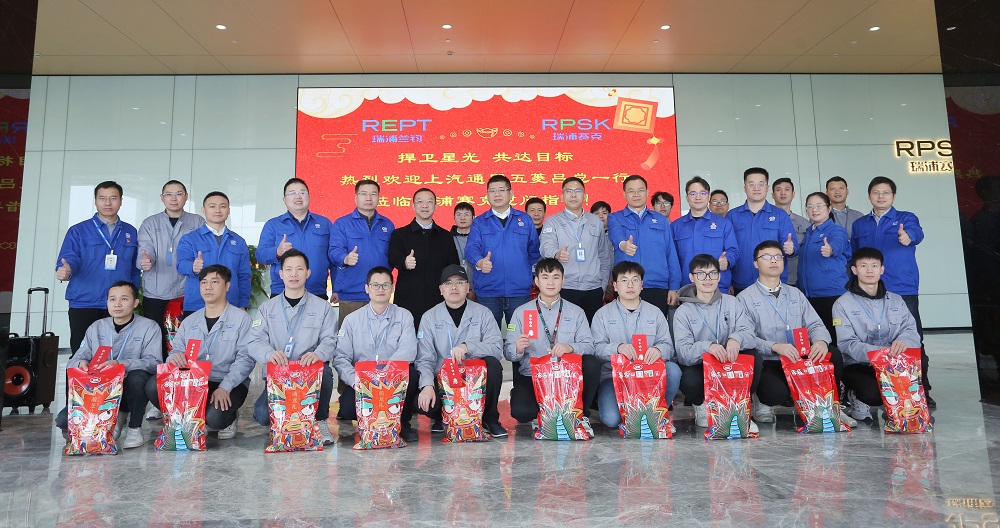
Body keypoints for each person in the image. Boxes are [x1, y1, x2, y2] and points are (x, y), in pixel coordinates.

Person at [736, 241, 854, 427]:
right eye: (767, 257)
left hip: (800, 357)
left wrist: (820, 341)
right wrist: (774, 347)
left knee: (833, 354)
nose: (773, 261)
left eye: (778, 257)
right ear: (756, 264)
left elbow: (815, 324)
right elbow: (746, 337)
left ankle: (832, 406)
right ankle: (762, 401)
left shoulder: (795, 293)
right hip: (770, 360)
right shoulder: (744, 298)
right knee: (775, 394)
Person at [143, 265, 257, 441]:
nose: (208, 287)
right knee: (153, 385)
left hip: (227, 383)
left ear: (227, 286)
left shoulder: (241, 319)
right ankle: (186, 417)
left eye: (214, 282)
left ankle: (229, 417)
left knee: (215, 419)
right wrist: (174, 358)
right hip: (194, 382)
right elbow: (175, 350)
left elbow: (246, 359)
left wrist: (225, 387)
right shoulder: (190, 321)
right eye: (204, 282)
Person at [850, 176, 933, 406]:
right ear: (869, 195)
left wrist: (908, 236)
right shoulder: (860, 224)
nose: (881, 197)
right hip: (869, 289)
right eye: (876, 192)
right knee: (874, 336)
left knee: (912, 338)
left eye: (886, 192)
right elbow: (855, 255)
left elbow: (917, 233)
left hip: (901, 287)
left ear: (893, 196)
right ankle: (883, 387)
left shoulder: (905, 218)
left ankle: (921, 389)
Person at [247, 249, 338, 445]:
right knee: (262, 415)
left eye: (299, 269)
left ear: (308, 273)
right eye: (288, 269)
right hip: (279, 375)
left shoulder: (323, 307)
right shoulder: (267, 308)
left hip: (310, 374)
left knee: (325, 371)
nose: (294, 274)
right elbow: (254, 341)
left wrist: (318, 354)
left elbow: (330, 340)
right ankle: (283, 421)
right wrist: (269, 354)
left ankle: (320, 420)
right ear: (281, 274)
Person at [55, 281, 161, 449]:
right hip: (100, 391)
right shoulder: (97, 327)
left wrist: (120, 364)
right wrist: (81, 363)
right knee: (63, 421)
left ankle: (134, 428)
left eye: (124, 299)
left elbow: (154, 363)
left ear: (135, 303)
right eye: (112, 299)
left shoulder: (149, 327)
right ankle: (114, 418)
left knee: (138, 377)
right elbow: (74, 360)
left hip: (130, 389)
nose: (117, 304)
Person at [505, 258, 599, 434]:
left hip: (568, 377)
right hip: (534, 377)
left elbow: (590, 346)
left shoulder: (576, 312)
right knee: (522, 412)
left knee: (591, 363)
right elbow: (508, 353)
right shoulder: (521, 312)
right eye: (545, 277)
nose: (550, 282)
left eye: (556, 277)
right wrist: (517, 348)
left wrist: (570, 347)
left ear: (563, 281)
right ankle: (543, 411)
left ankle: (579, 413)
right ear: (536, 281)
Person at [414, 264, 507, 437]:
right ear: (441, 289)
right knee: (420, 402)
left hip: (475, 381)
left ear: (468, 287)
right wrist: (427, 386)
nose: (454, 287)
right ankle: (441, 417)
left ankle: (490, 419)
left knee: (493, 365)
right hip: (444, 380)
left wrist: (468, 346)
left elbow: (496, 348)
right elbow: (424, 358)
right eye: (448, 283)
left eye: (460, 282)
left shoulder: (483, 313)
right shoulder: (429, 317)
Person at [833, 247, 921, 421]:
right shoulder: (842, 304)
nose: (869, 270)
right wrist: (880, 353)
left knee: (921, 360)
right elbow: (846, 343)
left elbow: (911, 330)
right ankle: (855, 395)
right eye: (863, 266)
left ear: (882, 269)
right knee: (874, 394)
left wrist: (904, 341)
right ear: (854, 270)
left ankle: (901, 404)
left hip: (894, 361)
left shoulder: (896, 300)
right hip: (859, 363)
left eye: (874, 266)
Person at [332, 267, 420, 443]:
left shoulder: (404, 316)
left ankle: (402, 423)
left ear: (392, 288)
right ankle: (369, 422)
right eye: (375, 285)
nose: (381, 289)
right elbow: (341, 357)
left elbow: (409, 350)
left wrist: (385, 374)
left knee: (412, 374)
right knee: (348, 409)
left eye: (385, 285)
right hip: (363, 381)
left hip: (394, 378)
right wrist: (357, 381)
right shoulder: (352, 320)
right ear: (367, 288)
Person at [672, 254, 759, 430]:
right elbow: (683, 353)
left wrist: (736, 338)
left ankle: (740, 407)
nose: (707, 279)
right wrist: (707, 347)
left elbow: (750, 334)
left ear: (719, 277)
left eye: (712, 273)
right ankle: (702, 406)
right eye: (701, 274)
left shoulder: (733, 303)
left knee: (754, 357)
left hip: (729, 360)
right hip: (701, 365)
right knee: (688, 377)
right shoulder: (683, 311)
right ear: (691, 277)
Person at [591, 262, 680, 431]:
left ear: (642, 284)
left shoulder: (655, 312)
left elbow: (668, 346)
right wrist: (617, 348)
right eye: (624, 280)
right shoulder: (602, 314)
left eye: (635, 280)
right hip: (615, 378)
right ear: (615, 286)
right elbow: (595, 349)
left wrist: (658, 350)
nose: (630, 285)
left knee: (673, 370)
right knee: (611, 419)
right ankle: (633, 412)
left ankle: (657, 413)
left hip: (649, 376)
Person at [56, 181, 140, 353]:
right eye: (102, 198)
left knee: (117, 354)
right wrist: (67, 270)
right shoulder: (78, 230)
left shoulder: (130, 232)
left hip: (118, 304)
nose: (108, 203)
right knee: (81, 353)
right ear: (95, 200)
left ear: (121, 201)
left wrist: (132, 296)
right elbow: (69, 258)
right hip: (85, 302)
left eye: (113, 198)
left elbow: (133, 268)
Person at [136, 180, 205, 358]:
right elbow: (144, 248)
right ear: (162, 197)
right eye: (169, 194)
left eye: (178, 194)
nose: (174, 198)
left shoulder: (197, 221)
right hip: (156, 291)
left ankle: (186, 372)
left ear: (186, 197)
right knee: (155, 337)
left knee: (189, 337)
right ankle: (157, 372)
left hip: (186, 290)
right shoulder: (150, 223)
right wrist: (145, 260)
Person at [465, 174, 541, 327]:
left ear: (511, 193)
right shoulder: (479, 222)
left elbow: (534, 251)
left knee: (522, 335)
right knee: (488, 337)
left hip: (519, 292)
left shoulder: (525, 219)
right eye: (492, 191)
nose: (497, 194)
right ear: (487, 195)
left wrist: (529, 274)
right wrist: (479, 262)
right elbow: (471, 248)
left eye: (501, 190)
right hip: (489, 291)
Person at [607, 174, 682, 317]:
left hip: (657, 285)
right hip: (628, 286)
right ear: (624, 194)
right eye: (631, 191)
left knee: (656, 327)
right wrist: (623, 245)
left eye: (640, 190)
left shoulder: (660, 219)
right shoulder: (615, 218)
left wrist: (674, 287)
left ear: (647, 192)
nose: (636, 194)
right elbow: (616, 236)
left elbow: (670, 254)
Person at [539, 177, 612, 322]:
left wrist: (603, 285)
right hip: (566, 287)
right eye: (569, 191)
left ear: (584, 196)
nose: (573, 195)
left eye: (578, 191)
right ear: (562, 196)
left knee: (592, 331)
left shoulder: (595, 221)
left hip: (593, 288)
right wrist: (556, 253)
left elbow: (604, 255)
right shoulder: (553, 221)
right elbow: (545, 246)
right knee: (565, 329)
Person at [388, 188, 460, 328]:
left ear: (436, 206)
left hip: (438, 300)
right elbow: (392, 258)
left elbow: (453, 266)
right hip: (408, 299)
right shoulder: (400, 234)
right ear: (413, 206)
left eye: (429, 202)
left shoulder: (445, 236)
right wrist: (404, 262)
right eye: (420, 202)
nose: (425, 205)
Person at [256, 177, 336, 301]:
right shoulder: (273, 225)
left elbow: (334, 259)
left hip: (317, 292)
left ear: (309, 196)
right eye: (292, 193)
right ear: (284, 200)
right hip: (282, 292)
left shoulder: (325, 224)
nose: (298, 196)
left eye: (302, 192)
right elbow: (261, 255)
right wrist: (277, 252)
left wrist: (337, 288)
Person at [329, 179, 396, 326]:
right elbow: (333, 251)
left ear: (379, 197)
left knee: (381, 336)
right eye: (364, 194)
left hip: (379, 293)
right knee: (350, 336)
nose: (368, 198)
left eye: (373, 194)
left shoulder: (387, 224)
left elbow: (392, 256)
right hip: (352, 293)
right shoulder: (342, 223)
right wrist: (345, 258)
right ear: (356, 197)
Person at [175, 192, 251, 315]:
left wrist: (243, 305)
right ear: (203, 210)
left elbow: (244, 276)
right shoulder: (189, 239)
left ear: (228, 210)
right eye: (212, 206)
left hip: (231, 304)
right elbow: (181, 265)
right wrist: (192, 267)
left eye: (222, 206)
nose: (217, 210)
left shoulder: (239, 241)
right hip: (197, 305)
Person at [726, 167, 797, 294]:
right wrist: (727, 282)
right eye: (751, 184)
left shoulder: (780, 215)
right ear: (745, 188)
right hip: (740, 283)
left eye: (761, 184)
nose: (756, 188)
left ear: (767, 187)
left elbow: (793, 246)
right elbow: (727, 250)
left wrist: (791, 249)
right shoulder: (732, 216)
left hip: (773, 282)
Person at [797, 192, 851, 342]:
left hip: (831, 296)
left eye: (819, 206)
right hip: (809, 296)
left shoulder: (836, 230)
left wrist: (831, 249)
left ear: (829, 208)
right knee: (815, 339)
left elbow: (838, 243)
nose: (814, 210)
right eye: (810, 206)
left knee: (834, 339)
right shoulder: (809, 232)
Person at [671, 176, 739, 293]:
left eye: (702, 193)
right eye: (693, 194)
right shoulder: (676, 226)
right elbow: (672, 259)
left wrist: (727, 261)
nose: (698, 197)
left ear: (708, 196)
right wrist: (673, 287)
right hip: (688, 288)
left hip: (718, 286)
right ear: (687, 197)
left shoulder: (723, 224)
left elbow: (733, 250)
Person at [771, 177, 810, 287]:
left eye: (787, 189)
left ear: (793, 194)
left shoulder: (804, 223)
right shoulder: (765, 220)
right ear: (772, 195)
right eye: (778, 190)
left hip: (798, 278)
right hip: (773, 278)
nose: (783, 193)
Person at [450, 201, 477, 300]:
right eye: (459, 214)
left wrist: (474, 290)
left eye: (466, 214)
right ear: (454, 217)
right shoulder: (447, 239)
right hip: (453, 289)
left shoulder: (480, 239)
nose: (462, 218)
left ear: (473, 217)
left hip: (477, 289)